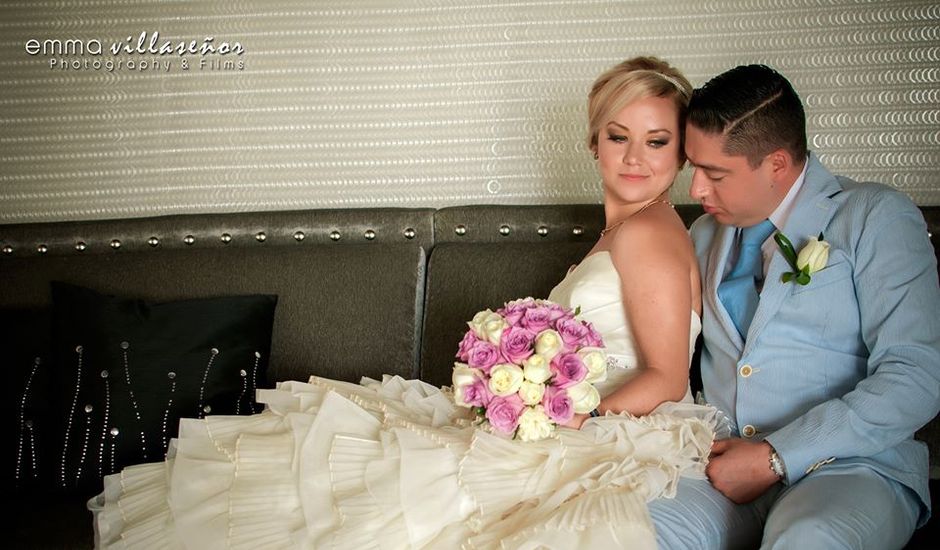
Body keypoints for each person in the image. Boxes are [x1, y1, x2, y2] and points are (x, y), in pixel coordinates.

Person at [89, 57, 720, 549]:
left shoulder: (649, 238)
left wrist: (575, 416)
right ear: (593, 142)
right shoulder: (626, 231)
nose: (635, 156)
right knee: (349, 459)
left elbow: (665, 377)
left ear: (681, 151)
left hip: (612, 430)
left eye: (657, 141)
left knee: (377, 477)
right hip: (574, 418)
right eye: (619, 136)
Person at [648, 63, 940, 549]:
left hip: (851, 467)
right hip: (719, 465)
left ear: (777, 164)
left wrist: (775, 456)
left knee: (808, 540)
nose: (695, 189)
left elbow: (916, 375)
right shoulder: (701, 235)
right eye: (693, 166)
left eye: (714, 173)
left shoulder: (873, 216)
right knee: (630, 532)